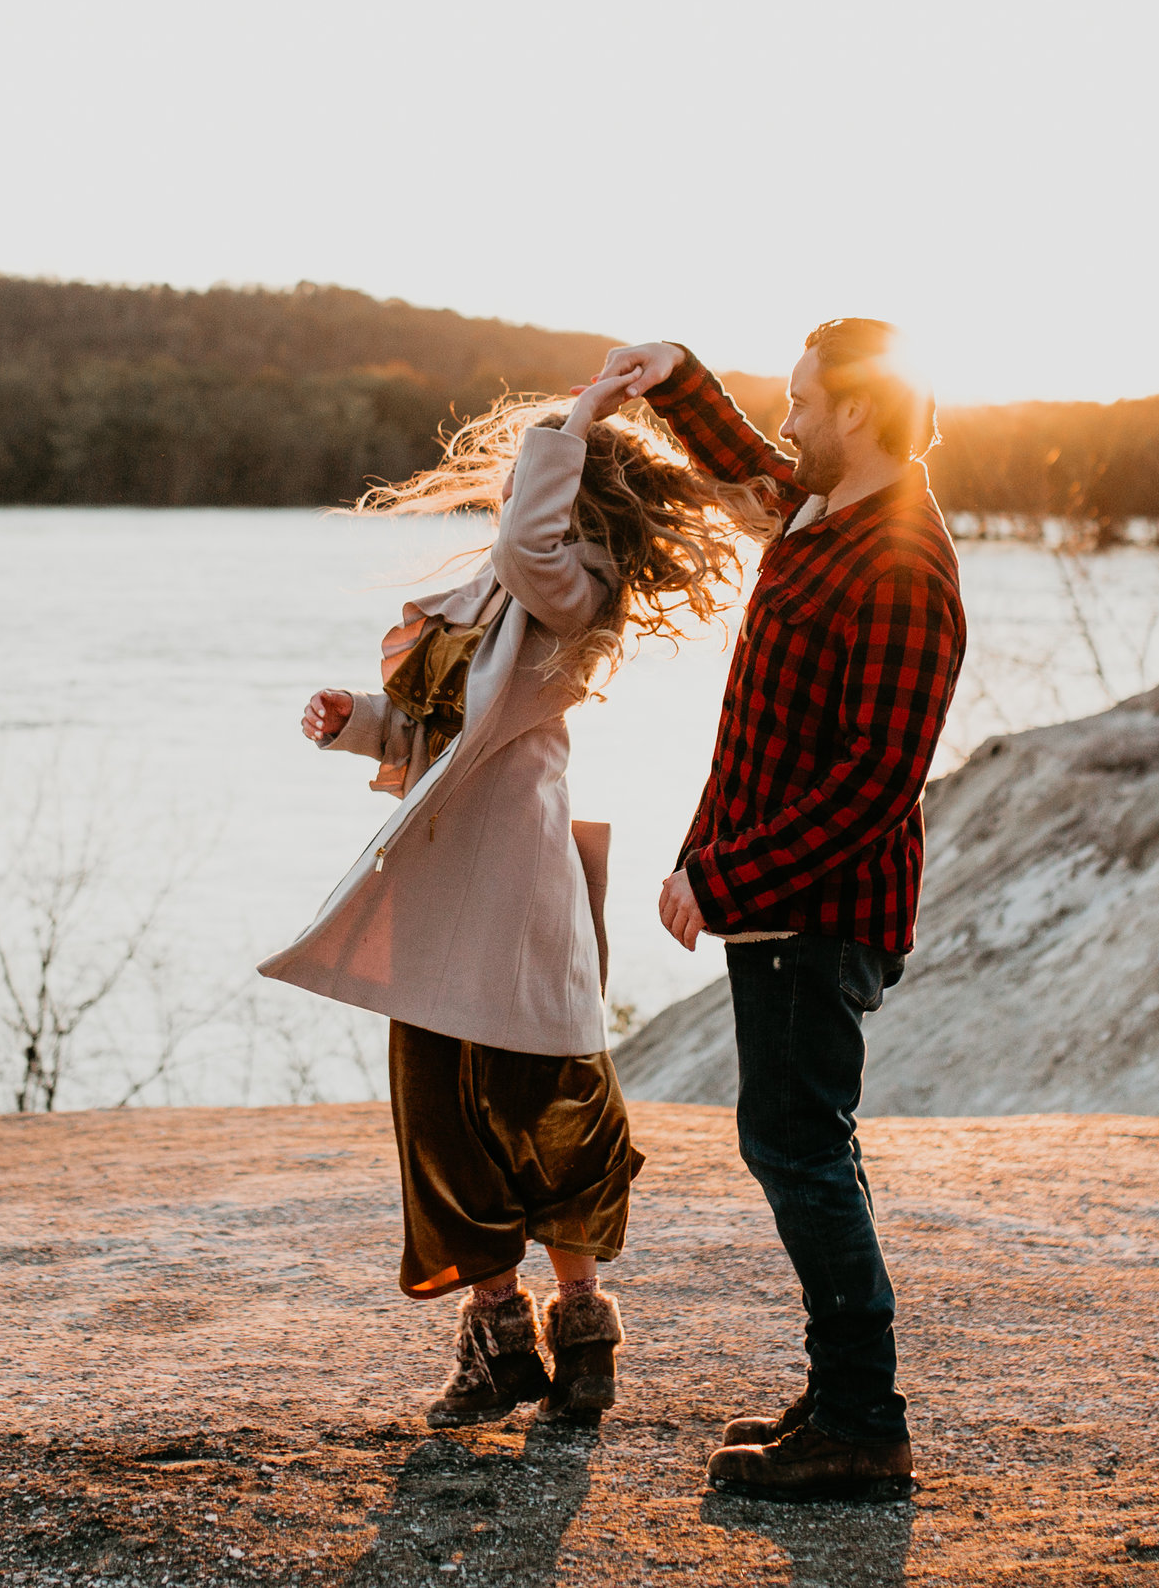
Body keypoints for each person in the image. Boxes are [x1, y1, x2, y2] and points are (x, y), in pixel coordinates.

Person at [260, 364, 777, 1426]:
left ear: (573, 489)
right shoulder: (495, 592)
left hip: (516, 886)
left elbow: (528, 546)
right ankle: (505, 1342)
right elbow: (436, 736)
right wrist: (353, 720)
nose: (514, 491)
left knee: (553, 1110)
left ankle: (580, 1336)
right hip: (445, 888)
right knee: (446, 1116)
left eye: (543, 471)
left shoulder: (572, 582)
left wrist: (580, 418)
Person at [613, 322, 966, 1501]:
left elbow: (874, 783)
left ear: (860, 413)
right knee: (808, 1145)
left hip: (817, 915)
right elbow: (745, 463)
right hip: (782, 913)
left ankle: (864, 1423)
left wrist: (720, 879)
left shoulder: (901, 562)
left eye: (806, 400)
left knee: (797, 1148)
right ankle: (842, 1395)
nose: (791, 418)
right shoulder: (822, 513)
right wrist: (673, 376)